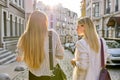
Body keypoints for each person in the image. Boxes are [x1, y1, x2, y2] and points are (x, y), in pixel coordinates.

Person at [16, 10, 64, 80]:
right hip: (51, 75)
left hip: (33, 75)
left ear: (30, 22)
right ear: (45, 22)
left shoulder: (24, 37)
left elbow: (19, 58)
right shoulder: (52, 35)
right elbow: (61, 55)